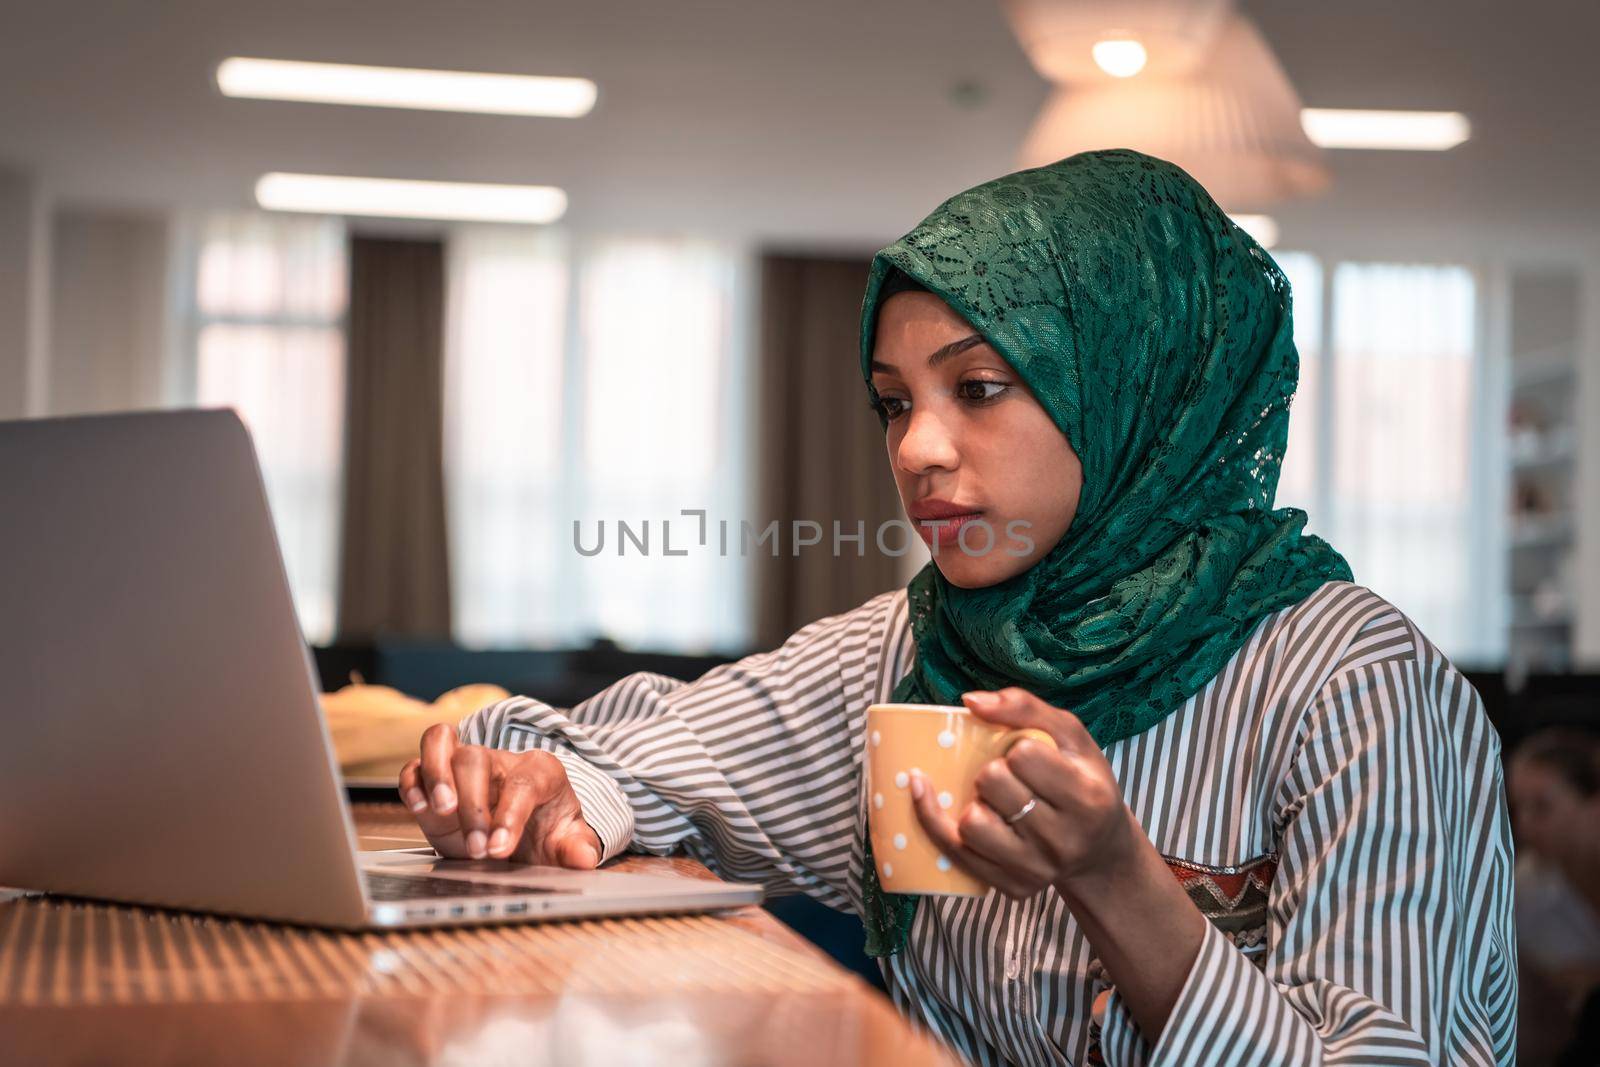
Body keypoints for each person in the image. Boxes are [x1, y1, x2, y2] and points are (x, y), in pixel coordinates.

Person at [399, 148, 1517, 1065]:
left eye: (977, 388)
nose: (917, 449)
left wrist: (1118, 880)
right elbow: (617, 750)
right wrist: (526, 783)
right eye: (893, 403)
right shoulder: (912, 647)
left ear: (1133, 385)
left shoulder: (1346, 681)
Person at [1508, 729, 1600, 1064]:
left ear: (1594, 803)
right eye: (1519, 808)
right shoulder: (1525, 892)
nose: (1525, 825)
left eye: (1542, 807)